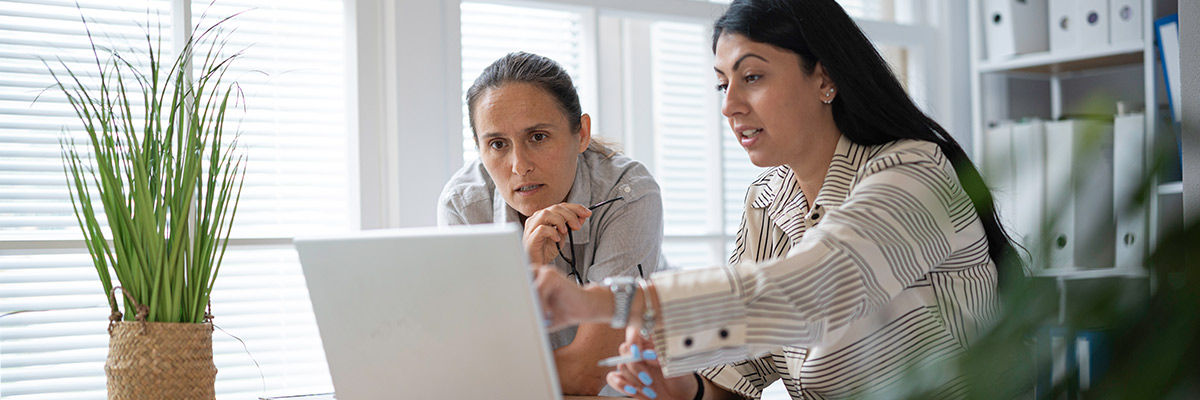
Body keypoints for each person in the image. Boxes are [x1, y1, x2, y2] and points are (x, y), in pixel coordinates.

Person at [533, 0, 1020, 398]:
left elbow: (808, 292)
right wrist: (681, 389)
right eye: (722, 83)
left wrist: (599, 301)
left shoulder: (916, 175)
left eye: (752, 77)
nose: (729, 106)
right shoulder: (769, 199)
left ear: (825, 77)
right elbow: (741, 369)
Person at [438, 51, 667, 396]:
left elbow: (590, 372)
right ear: (480, 149)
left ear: (582, 134)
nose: (519, 165)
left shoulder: (628, 194)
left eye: (538, 137)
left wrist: (478, 374)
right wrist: (523, 268)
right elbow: (473, 354)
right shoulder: (463, 205)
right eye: (498, 144)